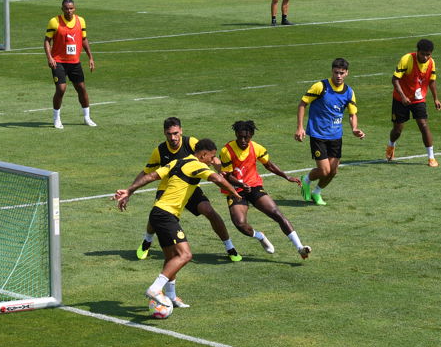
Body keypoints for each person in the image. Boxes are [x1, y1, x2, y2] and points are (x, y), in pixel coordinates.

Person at [114, 139, 243, 312]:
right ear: (203, 154)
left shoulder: (177, 162)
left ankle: (172, 296)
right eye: (211, 157)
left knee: (171, 258)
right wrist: (234, 193)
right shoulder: (198, 165)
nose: (212, 161)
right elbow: (216, 178)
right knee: (185, 255)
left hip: (158, 212)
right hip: (166, 215)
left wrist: (130, 190)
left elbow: (152, 176)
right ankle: (154, 288)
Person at [132, 117, 243, 264]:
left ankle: (229, 247)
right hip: (168, 188)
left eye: (176, 133)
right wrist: (130, 191)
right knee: (157, 213)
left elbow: (210, 157)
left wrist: (221, 171)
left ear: (181, 131)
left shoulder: (190, 143)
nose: (173, 137)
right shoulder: (160, 150)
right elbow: (147, 173)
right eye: (169, 134)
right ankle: (147, 241)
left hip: (190, 186)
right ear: (164, 133)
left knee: (209, 211)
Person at [220, 120, 311, 260]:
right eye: (240, 137)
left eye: (246, 137)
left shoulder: (257, 148)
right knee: (240, 224)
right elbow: (227, 175)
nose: (243, 140)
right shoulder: (227, 151)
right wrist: (240, 184)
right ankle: (260, 236)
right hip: (235, 190)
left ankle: (300, 248)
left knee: (277, 214)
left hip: (254, 186)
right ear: (236, 135)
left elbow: (268, 165)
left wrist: (287, 176)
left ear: (251, 135)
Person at [294, 58, 365, 205]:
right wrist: (300, 127)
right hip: (318, 134)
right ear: (332, 71)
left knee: (333, 171)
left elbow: (352, 114)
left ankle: (317, 192)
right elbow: (302, 104)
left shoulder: (349, 92)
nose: (338, 76)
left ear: (347, 73)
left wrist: (354, 128)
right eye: (336, 72)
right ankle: (306, 180)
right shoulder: (321, 86)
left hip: (336, 136)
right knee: (325, 170)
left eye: (341, 73)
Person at [386, 38, 441, 166]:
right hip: (401, 99)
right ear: (418, 52)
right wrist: (403, 96)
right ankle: (391, 145)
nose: (425, 57)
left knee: (423, 125)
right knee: (398, 129)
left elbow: (432, 81)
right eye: (423, 54)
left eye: (428, 54)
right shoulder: (407, 59)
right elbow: (395, 80)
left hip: (419, 99)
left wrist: (436, 99)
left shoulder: (431, 63)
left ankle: (431, 157)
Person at [44, 0, 96, 128]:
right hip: (59, 61)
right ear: (62, 9)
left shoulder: (81, 21)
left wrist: (90, 57)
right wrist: (49, 57)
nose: (69, 11)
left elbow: (84, 39)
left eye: (71, 8)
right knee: (61, 89)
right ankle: (56, 118)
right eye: (66, 8)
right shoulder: (54, 22)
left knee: (82, 88)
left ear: (75, 8)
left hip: (74, 62)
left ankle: (87, 117)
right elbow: (46, 41)